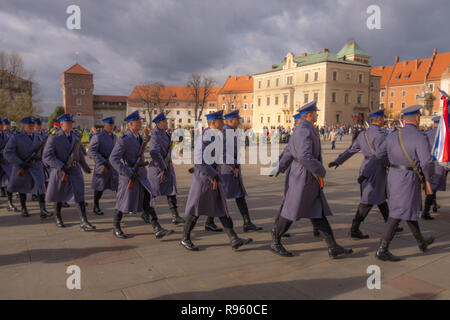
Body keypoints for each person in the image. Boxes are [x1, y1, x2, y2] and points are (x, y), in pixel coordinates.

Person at [270, 101, 353, 258]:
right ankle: (275, 240)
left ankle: (333, 245)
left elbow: (289, 151)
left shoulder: (305, 128)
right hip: (303, 176)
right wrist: (320, 170)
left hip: (308, 176)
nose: (317, 114)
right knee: (292, 209)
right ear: (309, 115)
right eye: (315, 112)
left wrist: (279, 167)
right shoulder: (303, 130)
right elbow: (303, 156)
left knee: (317, 211)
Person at [360, 105, 434, 261]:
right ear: (417, 118)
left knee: (409, 209)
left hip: (393, 177)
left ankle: (421, 242)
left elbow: (378, 156)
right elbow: (427, 163)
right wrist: (429, 178)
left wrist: (366, 173)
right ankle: (382, 249)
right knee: (398, 213)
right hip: (408, 178)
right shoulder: (420, 138)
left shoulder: (392, 136)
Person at [180, 110, 253, 251]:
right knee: (195, 210)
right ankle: (185, 238)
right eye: (220, 120)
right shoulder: (206, 138)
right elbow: (199, 161)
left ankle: (233, 238)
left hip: (213, 179)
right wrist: (214, 174)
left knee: (221, 209)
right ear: (213, 123)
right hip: (204, 180)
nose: (223, 122)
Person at [329, 109, 402, 239]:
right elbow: (383, 155)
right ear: (378, 120)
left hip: (365, 167)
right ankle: (354, 229)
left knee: (380, 198)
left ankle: (392, 224)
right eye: (383, 118)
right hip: (376, 168)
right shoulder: (381, 136)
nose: (384, 120)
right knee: (368, 200)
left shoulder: (363, 135)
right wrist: (392, 166)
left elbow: (351, 150)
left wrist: (338, 161)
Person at [109, 110, 173, 239]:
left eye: (140, 122)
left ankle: (157, 228)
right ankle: (116, 227)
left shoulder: (139, 138)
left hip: (141, 175)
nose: (140, 124)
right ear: (131, 124)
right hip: (128, 177)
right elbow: (113, 159)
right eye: (138, 122)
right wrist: (127, 171)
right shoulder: (124, 140)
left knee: (147, 200)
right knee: (123, 203)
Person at [207, 110, 262, 232]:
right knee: (220, 196)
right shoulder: (226, 132)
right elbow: (223, 152)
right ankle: (209, 222)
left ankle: (247, 222)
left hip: (233, 169)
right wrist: (233, 166)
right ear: (231, 120)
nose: (239, 121)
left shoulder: (232, 131)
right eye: (237, 119)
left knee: (239, 195)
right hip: (227, 170)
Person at [43, 113, 95, 231]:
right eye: (68, 123)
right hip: (60, 171)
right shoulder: (54, 138)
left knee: (79, 194)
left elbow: (79, 154)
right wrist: (61, 166)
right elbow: (46, 156)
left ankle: (84, 221)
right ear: (61, 124)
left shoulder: (75, 137)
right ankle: (58, 218)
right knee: (59, 195)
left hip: (75, 170)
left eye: (71, 123)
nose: (71, 125)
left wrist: (85, 167)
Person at [3, 117, 53, 219]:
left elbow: (44, 151)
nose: (31, 126)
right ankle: (24, 208)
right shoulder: (16, 137)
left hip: (36, 166)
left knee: (40, 186)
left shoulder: (38, 136)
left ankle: (43, 210)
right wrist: (20, 163)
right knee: (22, 188)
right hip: (22, 166)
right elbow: (7, 152)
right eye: (29, 125)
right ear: (23, 126)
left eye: (32, 124)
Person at [146, 112, 184, 225]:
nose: (167, 123)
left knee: (171, 192)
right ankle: (145, 213)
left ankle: (175, 216)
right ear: (159, 123)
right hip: (158, 169)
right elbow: (154, 153)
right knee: (152, 193)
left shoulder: (165, 134)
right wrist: (162, 168)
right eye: (165, 121)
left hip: (167, 167)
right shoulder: (155, 135)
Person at [87, 117, 119, 215]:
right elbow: (91, 151)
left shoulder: (115, 137)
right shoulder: (98, 136)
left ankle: (121, 206)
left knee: (118, 186)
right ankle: (96, 206)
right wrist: (102, 161)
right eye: (110, 125)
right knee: (99, 188)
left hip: (113, 166)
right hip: (102, 166)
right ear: (104, 125)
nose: (111, 126)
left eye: (113, 124)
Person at [421, 116, 448, 220]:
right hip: (438, 165)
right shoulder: (445, 136)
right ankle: (426, 212)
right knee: (434, 188)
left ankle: (434, 204)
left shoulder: (426, 134)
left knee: (430, 186)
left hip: (427, 164)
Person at [0, 117, 19, 211]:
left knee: (9, 182)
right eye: (1, 124)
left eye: (2, 124)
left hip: (6, 162)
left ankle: (10, 203)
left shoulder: (7, 135)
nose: (2, 126)